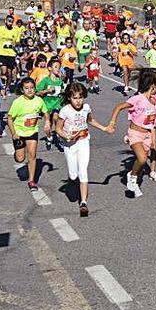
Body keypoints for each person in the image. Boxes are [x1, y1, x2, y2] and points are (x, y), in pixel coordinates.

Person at [105, 70, 156, 197]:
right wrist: (112, 123)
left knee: (141, 162)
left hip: (147, 135)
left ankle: (134, 179)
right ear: (152, 86)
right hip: (135, 133)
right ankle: (132, 177)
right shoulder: (137, 99)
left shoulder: (154, 102)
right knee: (143, 158)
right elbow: (119, 107)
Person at [55, 82, 112, 217]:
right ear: (69, 98)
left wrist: (104, 128)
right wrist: (66, 135)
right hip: (70, 145)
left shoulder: (86, 108)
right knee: (73, 175)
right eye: (75, 98)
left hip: (83, 142)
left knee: (83, 172)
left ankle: (84, 203)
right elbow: (58, 128)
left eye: (81, 97)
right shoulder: (65, 110)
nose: (78, 101)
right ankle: (72, 180)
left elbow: (90, 120)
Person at [7, 77, 48, 191]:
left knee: (32, 155)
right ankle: (17, 154)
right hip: (19, 133)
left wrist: (47, 122)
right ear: (22, 90)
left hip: (32, 132)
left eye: (32, 88)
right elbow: (9, 119)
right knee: (20, 159)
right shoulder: (17, 102)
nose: (30, 90)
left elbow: (45, 112)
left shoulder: (39, 100)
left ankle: (31, 181)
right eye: (26, 88)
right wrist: (13, 133)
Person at [35, 59, 64, 151]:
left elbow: (64, 91)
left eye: (59, 67)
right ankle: (49, 137)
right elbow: (37, 92)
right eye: (56, 67)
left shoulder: (60, 81)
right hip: (47, 106)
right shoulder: (45, 80)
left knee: (56, 117)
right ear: (50, 68)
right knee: (47, 126)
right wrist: (47, 91)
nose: (58, 69)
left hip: (57, 104)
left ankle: (60, 137)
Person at [0, 16, 22, 91]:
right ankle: (3, 82)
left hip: (11, 54)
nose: (10, 22)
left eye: (11, 21)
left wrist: (17, 44)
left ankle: (7, 88)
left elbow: (18, 42)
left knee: (10, 73)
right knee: (4, 71)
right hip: (2, 53)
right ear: (5, 21)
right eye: (8, 21)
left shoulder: (15, 31)